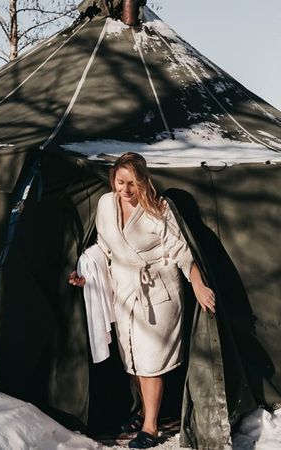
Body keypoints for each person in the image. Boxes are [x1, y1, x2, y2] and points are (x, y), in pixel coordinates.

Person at [69, 152, 215, 449]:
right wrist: (87, 275)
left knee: (151, 363)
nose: (125, 190)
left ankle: (150, 426)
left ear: (144, 182)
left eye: (133, 184)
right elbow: (103, 247)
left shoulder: (159, 209)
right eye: (120, 182)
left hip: (157, 293)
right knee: (133, 361)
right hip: (123, 290)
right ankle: (146, 411)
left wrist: (198, 284)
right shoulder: (106, 205)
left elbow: (181, 251)